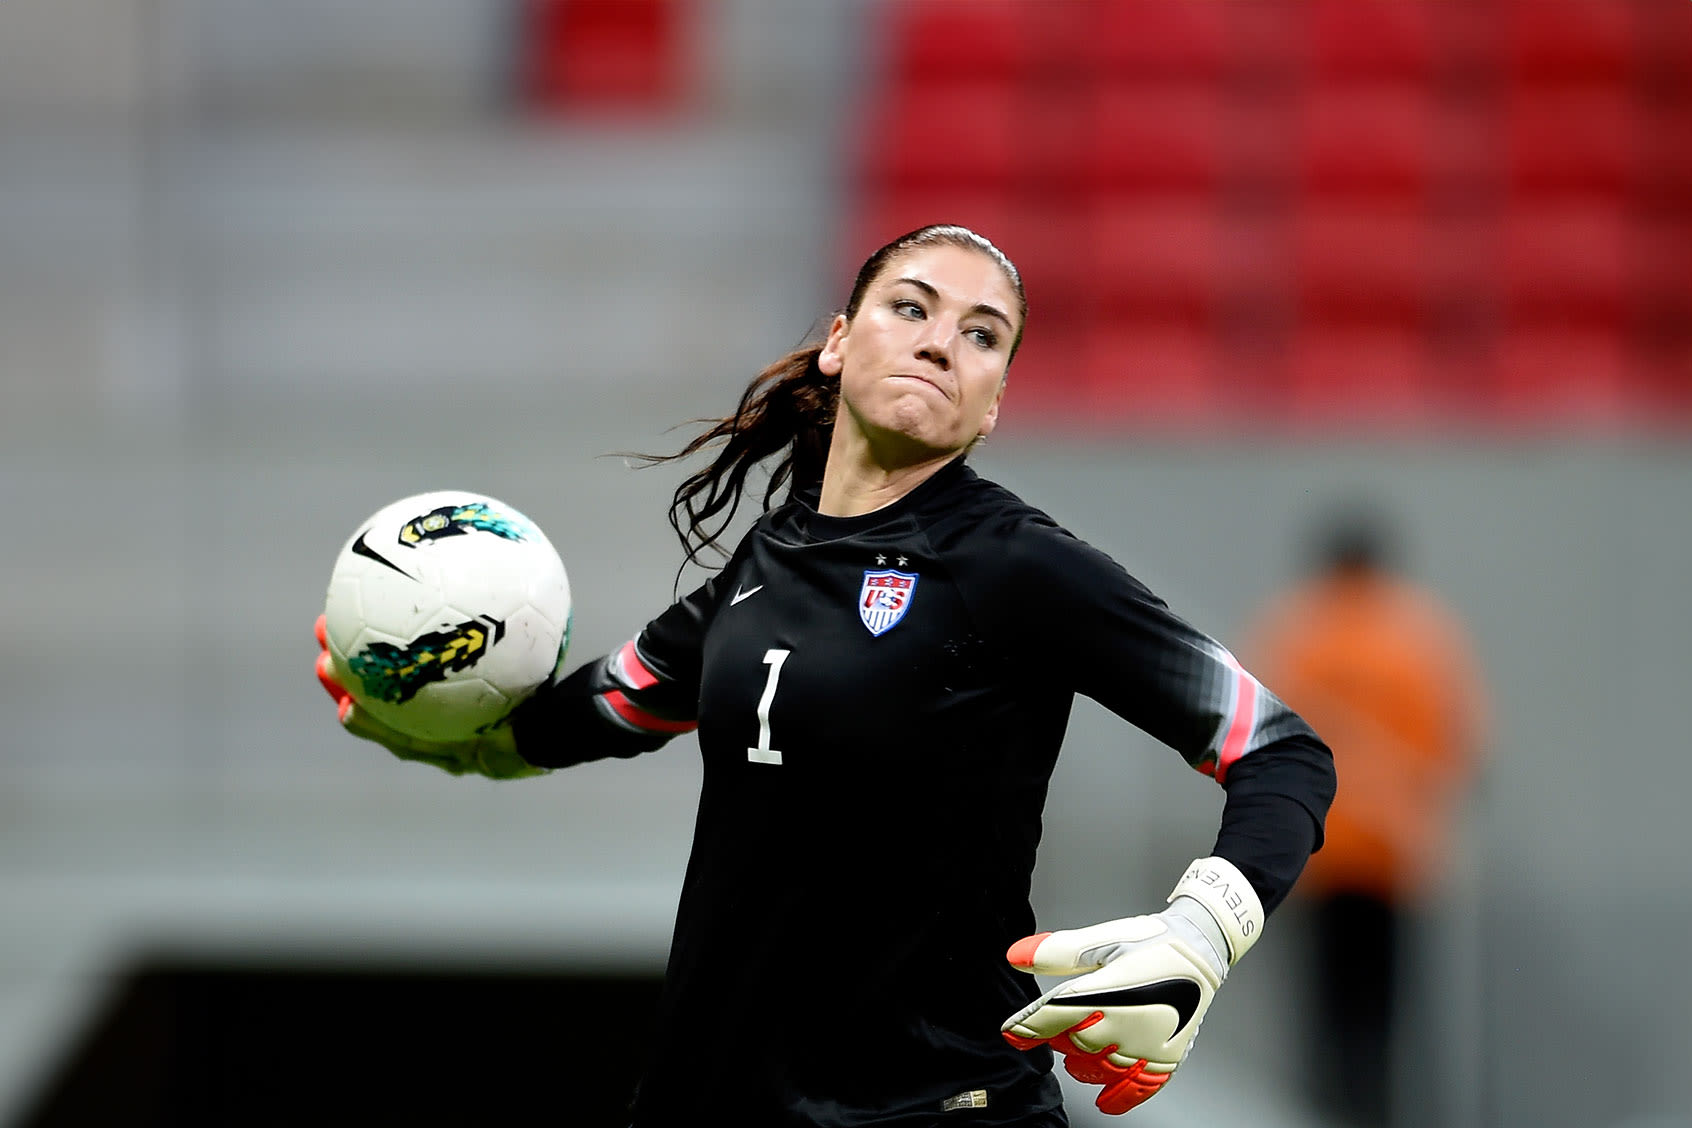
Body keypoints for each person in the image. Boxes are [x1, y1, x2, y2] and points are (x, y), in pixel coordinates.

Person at [314, 225, 1336, 1126]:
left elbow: (1283, 750)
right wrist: (444, 736)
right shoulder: (761, 568)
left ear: (992, 407)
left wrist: (1201, 931)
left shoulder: (1015, 566)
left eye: (982, 335)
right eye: (913, 307)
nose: (943, 340)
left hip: (931, 1107)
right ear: (841, 342)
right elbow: (605, 707)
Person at [1242, 508, 1486, 1128]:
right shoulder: (1420, 638)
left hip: (1317, 857)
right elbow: (1461, 751)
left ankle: (1327, 1114)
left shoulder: (1298, 632)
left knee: (1324, 1019)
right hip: (1395, 859)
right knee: (1390, 1019)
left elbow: (1253, 739)